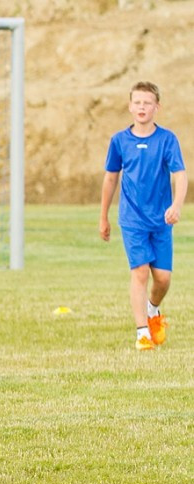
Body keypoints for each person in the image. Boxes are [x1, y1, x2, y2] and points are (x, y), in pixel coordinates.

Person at [100, 81, 187, 351]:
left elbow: (180, 174)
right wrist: (103, 216)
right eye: (137, 102)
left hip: (160, 220)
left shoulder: (167, 139)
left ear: (156, 107)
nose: (142, 107)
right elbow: (110, 178)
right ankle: (142, 333)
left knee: (162, 278)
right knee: (139, 272)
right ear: (129, 106)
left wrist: (176, 205)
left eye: (147, 102)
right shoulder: (119, 141)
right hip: (132, 220)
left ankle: (153, 310)